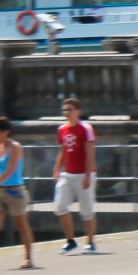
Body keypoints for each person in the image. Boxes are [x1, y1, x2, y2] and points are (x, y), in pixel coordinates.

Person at [0, 117, 35, 270]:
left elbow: (11, 169)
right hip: (0, 192)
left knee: (22, 225)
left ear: (7, 132)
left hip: (15, 191)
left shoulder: (15, 147)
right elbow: (1, 166)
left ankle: (28, 259)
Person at [53, 97, 97, 255]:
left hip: (83, 174)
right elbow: (63, 150)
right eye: (65, 110)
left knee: (86, 210)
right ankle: (70, 240)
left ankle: (90, 242)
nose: (67, 113)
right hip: (68, 174)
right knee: (60, 205)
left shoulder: (86, 128)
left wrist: (87, 175)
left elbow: (90, 152)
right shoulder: (62, 129)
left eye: (70, 109)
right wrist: (57, 169)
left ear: (78, 112)